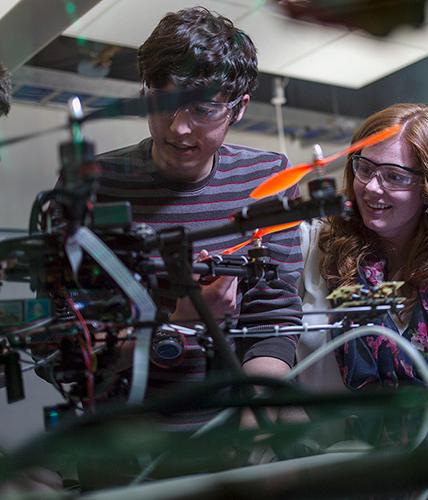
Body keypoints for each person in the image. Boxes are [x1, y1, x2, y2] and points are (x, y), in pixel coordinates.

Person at [89, 7, 303, 405]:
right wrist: (183, 321)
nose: (178, 128)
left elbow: (273, 320)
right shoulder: (95, 186)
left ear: (239, 107)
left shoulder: (270, 180)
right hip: (121, 442)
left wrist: (262, 405)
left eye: (203, 110)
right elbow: (70, 348)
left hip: (232, 433)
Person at [298, 103, 428, 390]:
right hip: (324, 435)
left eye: (394, 176)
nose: (371, 187)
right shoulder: (313, 246)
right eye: (365, 168)